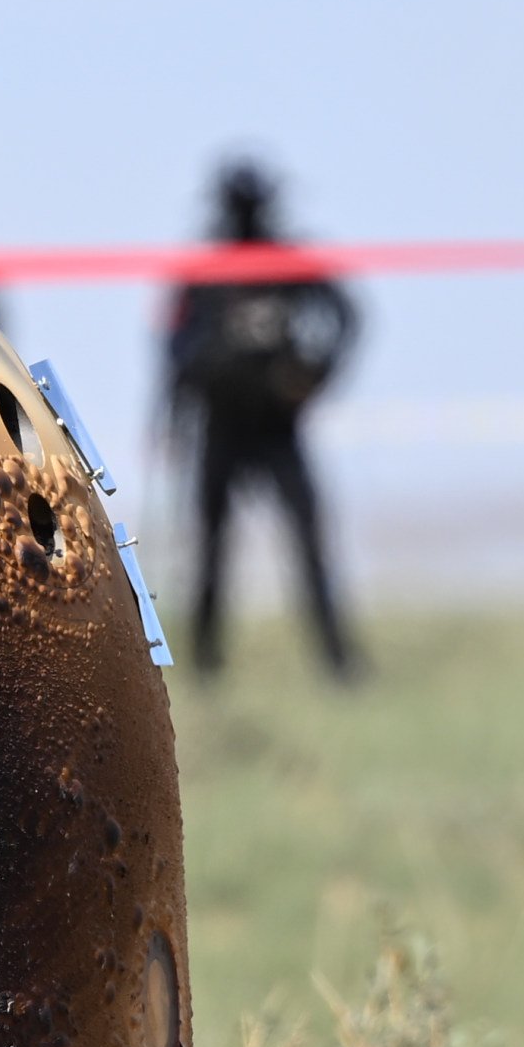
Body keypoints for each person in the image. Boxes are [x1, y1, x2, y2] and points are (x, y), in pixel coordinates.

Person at [164, 157, 362, 678]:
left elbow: (346, 318)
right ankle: (206, 665)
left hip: (278, 424)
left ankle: (338, 662)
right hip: (221, 422)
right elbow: (175, 348)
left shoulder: (290, 263)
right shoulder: (203, 273)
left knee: (308, 540)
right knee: (211, 547)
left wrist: (314, 377)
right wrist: (176, 409)